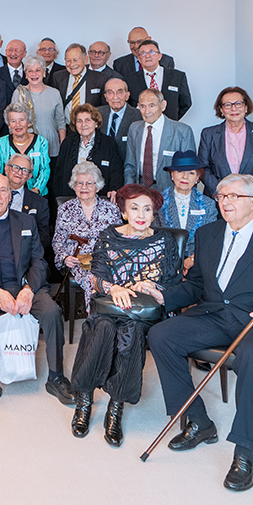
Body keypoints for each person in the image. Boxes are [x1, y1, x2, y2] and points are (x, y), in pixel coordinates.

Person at [143, 174, 253, 492]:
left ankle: (245, 452)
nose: (225, 202)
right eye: (221, 196)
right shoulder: (209, 233)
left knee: (252, 354)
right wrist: (164, 297)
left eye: (234, 197)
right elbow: (197, 284)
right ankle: (199, 422)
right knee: (161, 335)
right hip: (216, 315)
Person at [69, 184, 181, 446]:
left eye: (147, 209)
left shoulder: (164, 241)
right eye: (134, 208)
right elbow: (94, 277)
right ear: (124, 211)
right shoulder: (108, 236)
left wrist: (152, 287)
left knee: (130, 332)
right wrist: (114, 287)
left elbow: (175, 282)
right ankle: (84, 400)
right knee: (103, 327)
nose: (141, 214)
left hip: (141, 311)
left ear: (154, 214)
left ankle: (116, 407)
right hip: (110, 304)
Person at [0, 174, 68, 409]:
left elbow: (39, 260)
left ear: (10, 195)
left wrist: (28, 289)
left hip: (25, 285)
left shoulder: (26, 222)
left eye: (3, 191)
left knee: (52, 312)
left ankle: (56, 376)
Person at [52, 161, 123, 312]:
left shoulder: (111, 209)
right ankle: (97, 318)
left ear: (97, 186)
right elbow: (58, 241)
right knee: (91, 277)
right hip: (80, 262)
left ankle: (112, 317)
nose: (84, 187)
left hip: (107, 260)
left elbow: (119, 239)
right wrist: (65, 257)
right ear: (74, 185)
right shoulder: (65, 209)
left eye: (89, 183)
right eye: (79, 183)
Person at [198, 86, 253, 196]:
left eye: (238, 103)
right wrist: (222, 192)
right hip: (219, 197)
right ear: (221, 110)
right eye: (228, 105)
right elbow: (203, 168)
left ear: (246, 107)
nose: (233, 109)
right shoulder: (209, 134)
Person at [157, 150, 218, 274]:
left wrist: (192, 259)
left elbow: (210, 239)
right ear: (172, 175)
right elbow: (154, 236)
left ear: (197, 177)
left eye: (191, 173)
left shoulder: (208, 204)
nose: (185, 177)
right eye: (180, 171)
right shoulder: (158, 202)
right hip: (163, 262)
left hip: (197, 264)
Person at [124, 89, 196, 191]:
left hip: (170, 191)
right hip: (140, 189)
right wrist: (128, 190)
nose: (147, 111)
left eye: (152, 106)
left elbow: (189, 170)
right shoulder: (134, 128)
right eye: (143, 106)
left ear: (163, 105)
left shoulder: (182, 131)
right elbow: (130, 166)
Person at [51, 104, 123, 199]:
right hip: (70, 198)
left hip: (100, 199)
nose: (83, 124)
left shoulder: (109, 143)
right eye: (79, 121)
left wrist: (114, 189)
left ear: (96, 123)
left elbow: (116, 171)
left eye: (87, 120)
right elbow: (58, 173)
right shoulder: (68, 143)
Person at [12, 55, 66, 158]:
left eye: (38, 70)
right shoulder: (19, 93)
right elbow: (13, 122)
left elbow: (61, 122)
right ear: (26, 74)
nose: (34, 74)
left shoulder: (54, 93)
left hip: (51, 146)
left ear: (44, 73)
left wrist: (62, 145)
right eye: (30, 71)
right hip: (26, 147)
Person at [0, 102, 51, 195]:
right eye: (13, 121)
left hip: (37, 193)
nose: (18, 125)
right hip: (8, 194)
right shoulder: (1, 143)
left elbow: (45, 170)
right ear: (9, 125)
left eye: (21, 120)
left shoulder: (41, 142)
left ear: (29, 122)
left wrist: (36, 190)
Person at [124, 39, 192, 121]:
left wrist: (171, 120)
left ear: (160, 56)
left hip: (169, 126)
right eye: (143, 53)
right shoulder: (129, 80)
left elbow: (185, 103)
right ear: (139, 58)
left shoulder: (178, 76)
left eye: (152, 52)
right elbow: (128, 106)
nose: (147, 56)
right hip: (142, 126)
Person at [49, 43, 108, 110]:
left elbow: (104, 107)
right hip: (65, 120)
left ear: (85, 60)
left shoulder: (100, 78)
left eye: (75, 60)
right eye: (68, 60)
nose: (72, 64)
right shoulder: (58, 77)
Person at [98, 78, 143, 162]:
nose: (115, 97)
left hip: (126, 168)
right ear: (106, 97)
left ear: (127, 95)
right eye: (110, 93)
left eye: (119, 92)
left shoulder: (139, 116)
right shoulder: (97, 113)